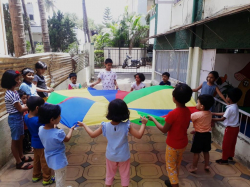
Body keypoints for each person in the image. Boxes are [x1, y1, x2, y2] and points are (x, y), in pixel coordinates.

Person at [77, 99, 148, 187]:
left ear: (109, 112)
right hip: (124, 156)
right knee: (125, 176)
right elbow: (139, 135)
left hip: (110, 156)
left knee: (109, 175)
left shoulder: (105, 126)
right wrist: (144, 124)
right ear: (125, 112)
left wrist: (84, 125)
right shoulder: (127, 126)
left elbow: (92, 135)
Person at [148, 83, 193, 187]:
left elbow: (164, 130)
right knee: (176, 164)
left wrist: (154, 119)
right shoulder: (188, 111)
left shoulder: (172, 114)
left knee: (170, 167)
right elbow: (184, 126)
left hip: (173, 145)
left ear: (174, 98)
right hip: (183, 143)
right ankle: (173, 180)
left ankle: (174, 184)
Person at [1, 70, 33, 170]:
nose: (19, 81)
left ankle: (22, 156)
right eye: (17, 80)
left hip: (18, 118)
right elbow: (20, 109)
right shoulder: (10, 94)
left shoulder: (14, 92)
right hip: (15, 118)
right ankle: (18, 162)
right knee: (15, 141)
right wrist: (32, 105)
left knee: (21, 137)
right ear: (11, 81)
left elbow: (21, 106)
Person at [38, 104, 75, 187]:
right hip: (59, 161)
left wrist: (54, 126)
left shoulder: (40, 129)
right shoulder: (59, 133)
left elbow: (50, 131)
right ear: (52, 119)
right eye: (59, 116)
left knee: (58, 175)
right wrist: (71, 130)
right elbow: (67, 139)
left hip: (49, 158)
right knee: (60, 179)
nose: (60, 117)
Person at [24, 97, 55, 185]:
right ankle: (47, 178)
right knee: (44, 161)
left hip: (34, 142)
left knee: (36, 160)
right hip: (42, 143)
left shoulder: (26, 117)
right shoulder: (38, 120)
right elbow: (48, 128)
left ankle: (36, 175)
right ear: (37, 108)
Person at [212, 88, 242, 164]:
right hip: (236, 128)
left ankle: (224, 159)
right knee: (232, 143)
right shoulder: (234, 106)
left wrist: (212, 119)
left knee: (226, 144)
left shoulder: (230, 108)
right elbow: (225, 113)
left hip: (230, 129)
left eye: (227, 96)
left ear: (230, 99)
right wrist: (214, 113)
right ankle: (230, 156)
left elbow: (222, 118)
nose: (226, 97)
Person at [189, 95, 215, 173]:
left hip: (199, 136)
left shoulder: (197, 114)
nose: (196, 104)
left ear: (202, 106)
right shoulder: (209, 113)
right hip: (207, 135)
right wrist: (196, 130)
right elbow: (204, 124)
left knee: (196, 153)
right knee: (206, 151)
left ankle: (194, 167)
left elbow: (188, 117)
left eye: (197, 102)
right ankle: (207, 165)